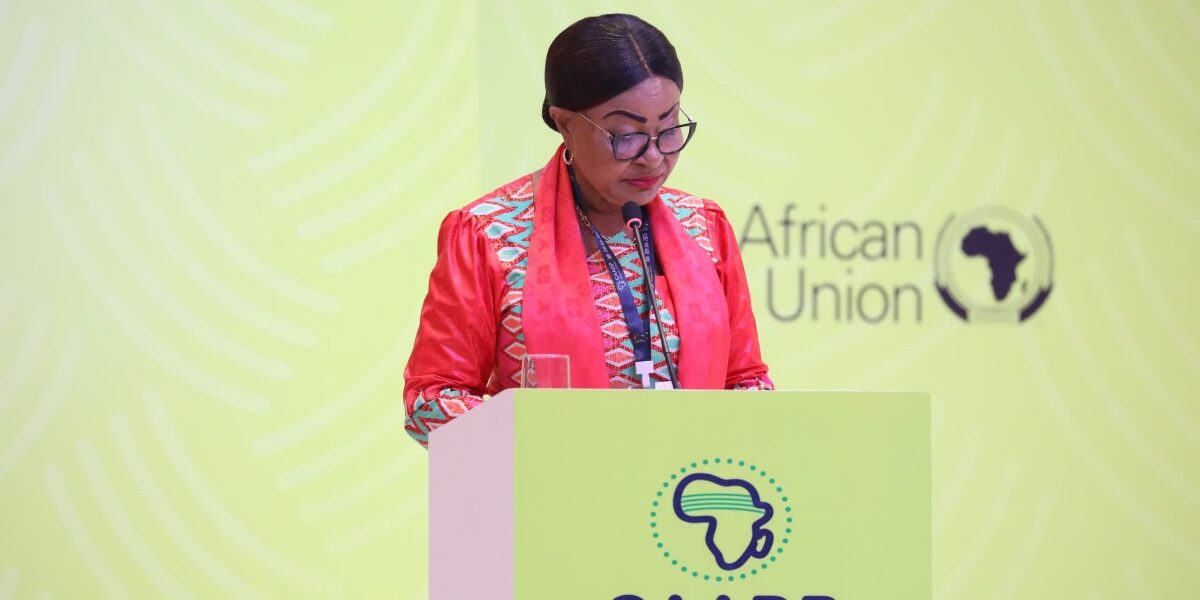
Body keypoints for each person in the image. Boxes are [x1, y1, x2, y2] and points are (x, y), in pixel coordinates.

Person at [403, 14, 772, 448]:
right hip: (548, 499)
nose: (653, 158)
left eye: (669, 129)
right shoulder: (490, 234)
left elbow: (746, 380)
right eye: (626, 135)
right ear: (564, 123)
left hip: (682, 497)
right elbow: (431, 399)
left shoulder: (705, 227)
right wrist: (562, 444)